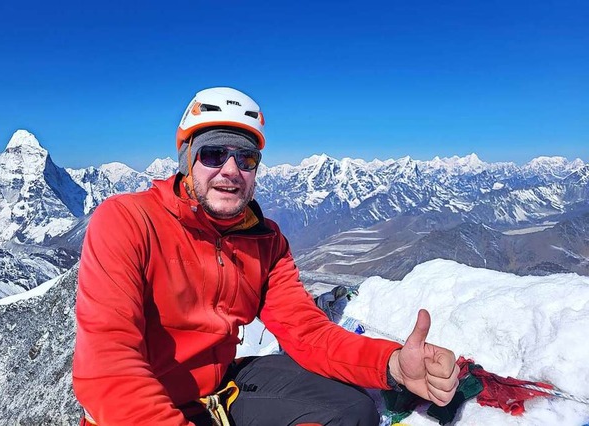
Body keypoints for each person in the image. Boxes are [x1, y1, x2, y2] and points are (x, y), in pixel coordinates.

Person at [72, 87, 460, 425]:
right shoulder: (128, 221)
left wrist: (391, 366)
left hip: (220, 394)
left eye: (246, 158)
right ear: (187, 161)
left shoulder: (265, 240)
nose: (230, 170)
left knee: (352, 411)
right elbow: (108, 365)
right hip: (139, 411)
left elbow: (307, 332)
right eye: (213, 154)